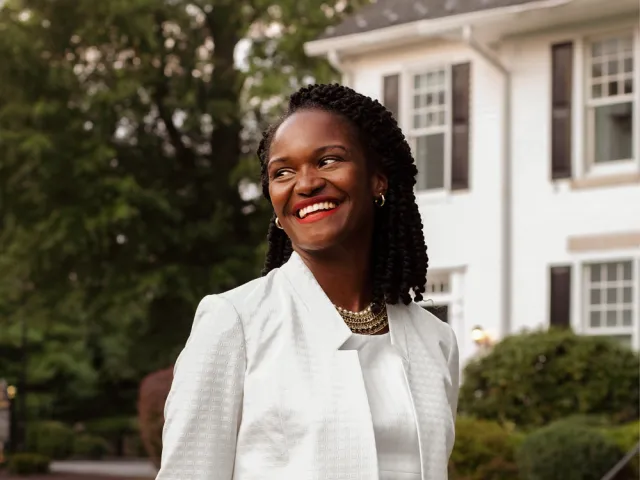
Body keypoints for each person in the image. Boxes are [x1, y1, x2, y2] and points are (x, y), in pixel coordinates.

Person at [157, 84, 459, 480]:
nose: (305, 183)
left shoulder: (435, 340)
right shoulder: (235, 323)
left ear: (377, 181)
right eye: (282, 172)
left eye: (329, 160)